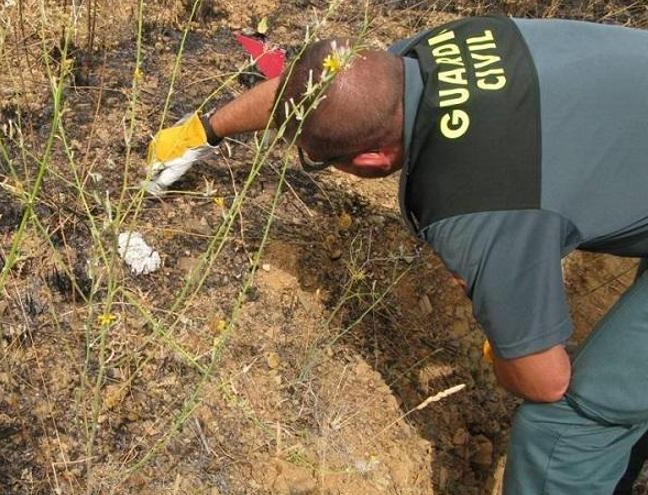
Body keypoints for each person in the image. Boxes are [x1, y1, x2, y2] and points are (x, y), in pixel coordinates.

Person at [146, 15, 648, 494]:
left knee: (567, 427)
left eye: (319, 163)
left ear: (370, 159)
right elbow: (321, 85)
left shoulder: (471, 200)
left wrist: (505, 333)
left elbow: (545, 381)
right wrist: (205, 129)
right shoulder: (430, 52)